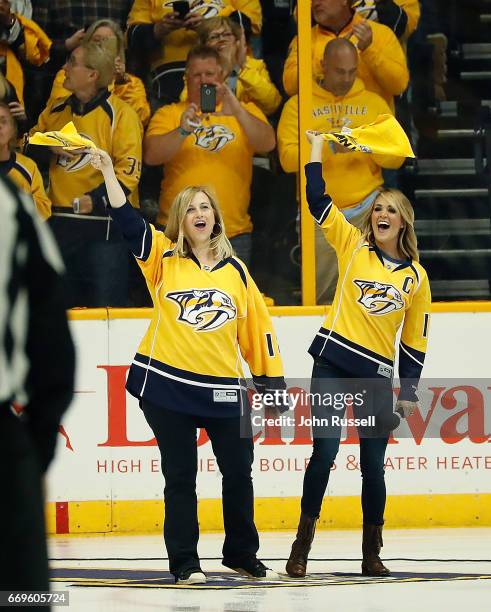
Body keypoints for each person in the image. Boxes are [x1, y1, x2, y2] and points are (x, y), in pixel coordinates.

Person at [86, 145, 286, 585]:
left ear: (215, 216)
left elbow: (259, 332)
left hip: (224, 391)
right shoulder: (163, 259)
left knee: (238, 473)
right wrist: (107, 172)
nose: (199, 213)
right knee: (181, 477)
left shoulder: (237, 271)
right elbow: (128, 222)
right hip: (168, 389)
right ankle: (184, 562)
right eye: (190, 208)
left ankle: (240, 553)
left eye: (205, 207)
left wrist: (272, 386)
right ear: (181, 219)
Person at [285, 131, 431, 578]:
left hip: (375, 377)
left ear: (403, 222)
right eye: (379, 208)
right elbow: (316, 197)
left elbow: (414, 343)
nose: (383, 214)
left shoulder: (417, 279)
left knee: (373, 465)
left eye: (392, 210)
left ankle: (372, 552)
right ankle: (302, 545)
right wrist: (314, 147)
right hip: (331, 362)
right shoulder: (352, 245)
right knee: (324, 452)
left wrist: (407, 393)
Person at [278, 38, 405, 303]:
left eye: (352, 71)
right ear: (323, 65)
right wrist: (328, 147)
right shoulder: (297, 105)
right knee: (322, 294)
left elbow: (397, 159)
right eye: (339, 71)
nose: (347, 78)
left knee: (371, 291)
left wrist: (364, 145)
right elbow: (287, 160)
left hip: (366, 208)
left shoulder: (374, 103)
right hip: (321, 213)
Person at [0, 176, 74, 598]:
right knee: (17, 594)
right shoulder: (10, 202)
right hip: (3, 443)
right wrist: (34, 446)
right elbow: (52, 337)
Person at [26, 40, 143, 307]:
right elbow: (25, 144)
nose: (64, 68)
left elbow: (130, 171)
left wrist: (98, 198)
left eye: (72, 63)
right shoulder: (55, 110)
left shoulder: (122, 115)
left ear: (92, 75)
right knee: (58, 310)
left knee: (106, 312)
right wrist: (49, 148)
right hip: (60, 228)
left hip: (105, 230)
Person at [144, 45, 275, 266]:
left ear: (222, 76)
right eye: (196, 74)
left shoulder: (243, 110)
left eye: (209, 74)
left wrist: (238, 111)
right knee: (178, 299)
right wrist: (183, 130)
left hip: (231, 232)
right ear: (186, 78)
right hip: (179, 232)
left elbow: (268, 143)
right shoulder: (170, 113)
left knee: (231, 300)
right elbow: (150, 156)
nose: (203, 80)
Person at [126, 0, 262, 105]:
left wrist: (209, 27)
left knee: (217, 121)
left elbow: (251, 25)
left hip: (225, 69)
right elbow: (131, 38)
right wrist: (159, 29)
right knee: (183, 126)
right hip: (170, 75)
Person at [283, 0, 409, 111]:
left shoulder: (380, 34)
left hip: (371, 129)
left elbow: (399, 85)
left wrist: (370, 51)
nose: (315, 3)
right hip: (322, 129)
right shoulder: (304, 40)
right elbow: (290, 87)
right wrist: (326, 62)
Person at [47, 19, 151, 127]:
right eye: (96, 41)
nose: (101, 47)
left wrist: (120, 83)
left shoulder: (129, 83)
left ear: (117, 50)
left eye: (107, 42)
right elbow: (56, 113)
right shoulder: (67, 73)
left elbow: (140, 118)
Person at [195, 15, 281, 117]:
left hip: (248, 127)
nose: (222, 39)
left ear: (237, 42)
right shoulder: (198, 70)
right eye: (214, 37)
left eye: (227, 34)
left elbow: (272, 105)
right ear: (204, 46)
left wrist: (243, 68)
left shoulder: (255, 66)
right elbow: (197, 107)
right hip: (214, 128)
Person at [0, 102, 51, 219]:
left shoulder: (28, 167)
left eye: (3, 121)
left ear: (13, 130)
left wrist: (17, 197)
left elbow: (44, 210)